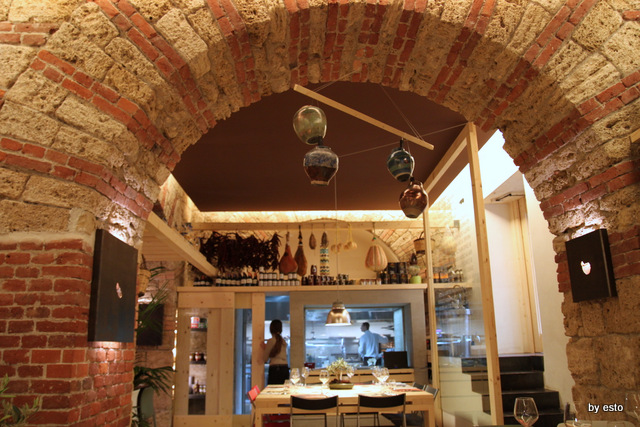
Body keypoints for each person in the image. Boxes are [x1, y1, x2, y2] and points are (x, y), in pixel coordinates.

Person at [262, 319, 289, 385]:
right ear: (281, 329)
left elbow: (265, 359)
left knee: (272, 389)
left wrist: (264, 349)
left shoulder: (270, 341)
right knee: (284, 389)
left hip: (275, 369)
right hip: (285, 368)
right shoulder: (284, 342)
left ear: (271, 329)